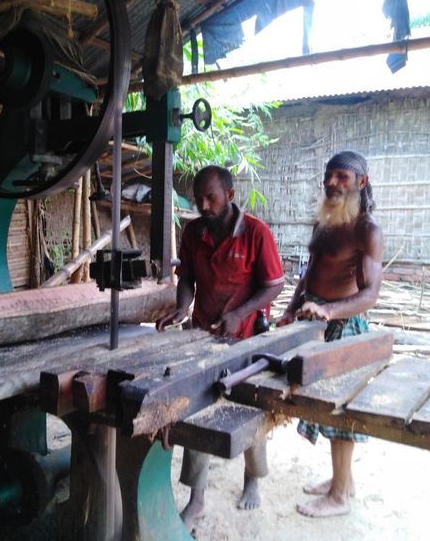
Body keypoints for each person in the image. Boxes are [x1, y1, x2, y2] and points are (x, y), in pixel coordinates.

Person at [155, 165, 285, 528]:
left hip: (246, 338)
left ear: (230, 194)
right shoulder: (194, 231)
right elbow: (188, 279)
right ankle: (197, 500)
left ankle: (252, 480)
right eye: (198, 198)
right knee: (199, 410)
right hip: (204, 335)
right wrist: (182, 308)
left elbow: (274, 285)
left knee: (251, 412)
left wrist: (239, 313)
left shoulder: (257, 233)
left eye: (210, 197)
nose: (203, 205)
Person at [276, 150, 383, 518]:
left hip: (343, 326)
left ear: (361, 182)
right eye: (329, 176)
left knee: (339, 412)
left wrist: (330, 311)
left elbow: (370, 294)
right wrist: (292, 309)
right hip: (313, 321)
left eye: (342, 177)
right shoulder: (323, 222)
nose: (333, 183)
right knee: (327, 405)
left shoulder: (367, 229)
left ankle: (339, 497)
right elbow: (309, 273)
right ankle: (344, 481)